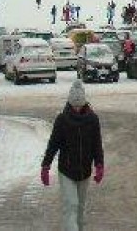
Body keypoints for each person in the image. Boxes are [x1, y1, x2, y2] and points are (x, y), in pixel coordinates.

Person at [41, 80, 104, 231]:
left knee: (80, 209)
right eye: (74, 105)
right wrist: (46, 165)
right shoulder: (62, 120)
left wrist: (99, 165)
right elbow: (53, 144)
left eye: (79, 105)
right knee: (71, 205)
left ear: (84, 103)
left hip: (84, 171)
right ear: (69, 103)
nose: (76, 108)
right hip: (66, 171)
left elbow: (97, 144)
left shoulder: (93, 120)